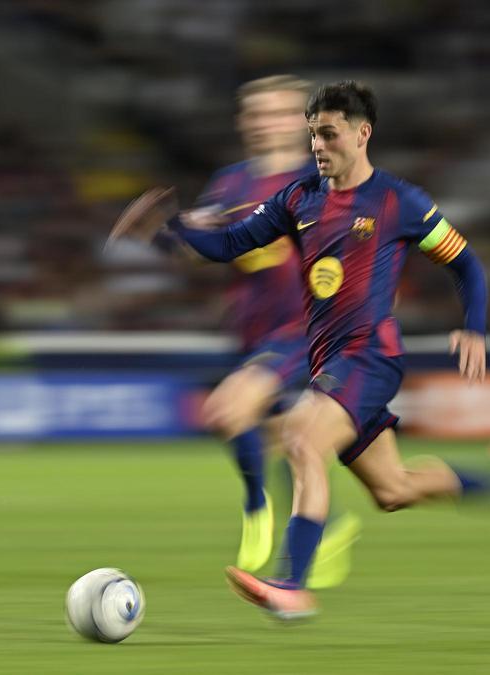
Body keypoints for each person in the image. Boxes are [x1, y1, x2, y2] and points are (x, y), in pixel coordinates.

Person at [113, 80, 490, 619]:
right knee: (393, 490)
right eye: (313, 134)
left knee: (300, 437)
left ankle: (291, 583)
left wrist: (476, 327)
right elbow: (228, 244)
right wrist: (168, 229)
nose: (318, 145)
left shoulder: (399, 201)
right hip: (331, 362)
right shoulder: (298, 199)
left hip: (370, 356)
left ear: (362, 133)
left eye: (329, 133)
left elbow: (464, 262)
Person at [183, 75, 360, 587]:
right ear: (244, 122)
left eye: (280, 113)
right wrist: (183, 231)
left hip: (305, 331)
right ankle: (325, 531)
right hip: (254, 333)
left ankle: (256, 506)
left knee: (226, 410)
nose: (267, 124)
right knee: (289, 441)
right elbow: (211, 244)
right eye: (257, 114)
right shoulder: (231, 181)